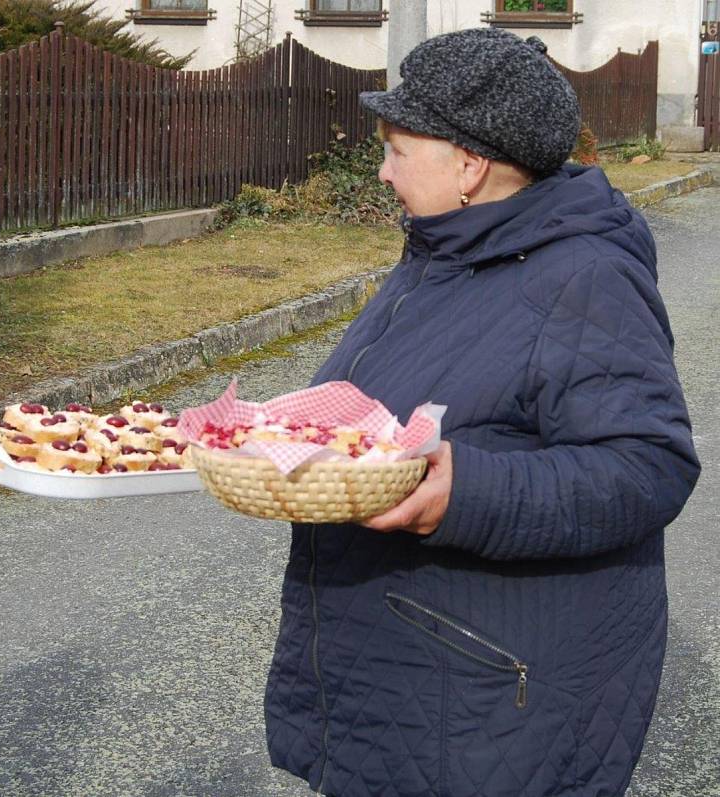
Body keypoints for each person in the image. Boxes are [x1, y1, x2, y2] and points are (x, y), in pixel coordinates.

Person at [264, 28, 700, 797]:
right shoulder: (449, 252)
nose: (382, 170)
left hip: (485, 709)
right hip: (412, 681)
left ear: (469, 163)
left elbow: (647, 464)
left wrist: (464, 493)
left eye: (398, 149)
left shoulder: (584, 276)